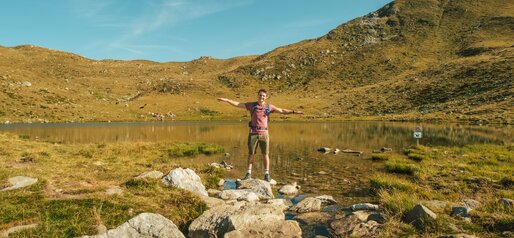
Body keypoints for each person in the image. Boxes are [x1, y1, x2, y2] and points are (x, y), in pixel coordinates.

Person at [217, 89, 304, 182]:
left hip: (264, 134)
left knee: (265, 154)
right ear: (257, 95)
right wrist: (226, 100)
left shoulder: (269, 107)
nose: (261, 97)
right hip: (253, 133)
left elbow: (282, 110)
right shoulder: (252, 105)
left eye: (263, 95)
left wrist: (294, 112)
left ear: (266, 97)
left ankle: (267, 174)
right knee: (251, 154)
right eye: (260, 95)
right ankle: (248, 173)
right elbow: (238, 104)